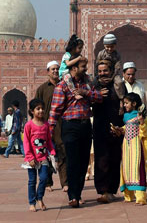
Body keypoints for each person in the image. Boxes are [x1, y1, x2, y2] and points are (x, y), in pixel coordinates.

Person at [49, 56, 106, 208]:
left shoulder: (87, 83)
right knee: (72, 161)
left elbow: (99, 97)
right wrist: (49, 129)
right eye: (82, 67)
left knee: (82, 161)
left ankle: (78, 193)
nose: (85, 70)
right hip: (70, 127)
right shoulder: (62, 86)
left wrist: (85, 93)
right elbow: (55, 110)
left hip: (85, 125)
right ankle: (72, 195)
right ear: (74, 68)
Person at [91, 60, 124, 204]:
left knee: (115, 159)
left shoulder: (118, 86)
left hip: (115, 128)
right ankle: (103, 190)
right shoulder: (94, 86)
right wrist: (96, 95)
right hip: (99, 128)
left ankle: (111, 190)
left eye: (105, 71)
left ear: (111, 71)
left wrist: (121, 128)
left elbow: (127, 104)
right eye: (100, 71)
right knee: (101, 160)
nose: (102, 74)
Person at [111, 92, 147, 205]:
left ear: (134, 103)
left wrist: (142, 122)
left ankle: (140, 198)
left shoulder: (140, 116)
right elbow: (127, 127)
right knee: (126, 169)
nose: (124, 105)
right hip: (127, 146)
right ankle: (128, 196)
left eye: (126, 103)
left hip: (137, 146)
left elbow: (145, 131)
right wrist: (119, 129)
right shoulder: (126, 116)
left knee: (138, 169)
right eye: (124, 103)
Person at [35, 60, 68, 192]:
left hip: (61, 126)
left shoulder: (64, 86)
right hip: (45, 127)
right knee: (45, 155)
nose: (55, 71)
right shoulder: (42, 89)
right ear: (47, 72)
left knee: (63, 154)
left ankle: (65, 183)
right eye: (52, 69)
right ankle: (47, 182)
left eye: (57, 69)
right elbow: (35, 108)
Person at [23, 98, 56, 212]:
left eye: (42, 108)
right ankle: (32, 202)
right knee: (32, 181)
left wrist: (52, 151)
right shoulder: (29, 125)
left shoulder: (46, 125)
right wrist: (29, 157)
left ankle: (39, 197)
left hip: (43, 158)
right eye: (38, 109)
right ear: (32, 111)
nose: (41, 111)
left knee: (44, 178)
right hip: (31, 158)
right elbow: (26, 142)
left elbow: (48, 140)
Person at [95, 34, 125, 100]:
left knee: (119, 82)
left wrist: (111, 78)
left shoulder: (117, 55)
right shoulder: (101, 53)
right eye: (107, 47)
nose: (110, 49)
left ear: (115, 45)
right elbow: (97, 65)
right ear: (104, 46)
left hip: (113, 74)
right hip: (102, 73)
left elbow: (117, 68)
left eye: (112, 47)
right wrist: (98, 77)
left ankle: (121, 99)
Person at [59, 35, 87, 100]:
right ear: (73, 47)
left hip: (71, 73)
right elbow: (68, 64)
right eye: (79, 48)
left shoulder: (75, 56)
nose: (81, 50)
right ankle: (74, 93)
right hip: (64, 72)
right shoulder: (67, 54)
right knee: (68, 78)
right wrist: (79, 58)